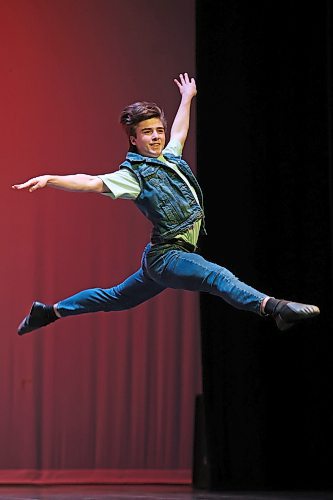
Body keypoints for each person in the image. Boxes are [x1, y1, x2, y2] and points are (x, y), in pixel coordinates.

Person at [12, 73, 320, 335]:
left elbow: (180, 131)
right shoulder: (132, 175)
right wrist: (52, 178)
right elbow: (91, 181)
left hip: (160, 260)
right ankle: (275, 307)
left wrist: (187, 97)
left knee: (117, 297)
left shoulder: (170, 158)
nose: (157, 137)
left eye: (158, 130)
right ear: (134, 139)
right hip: (167, 256)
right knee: (218, 277)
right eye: (148, 133)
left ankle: (49, 312)